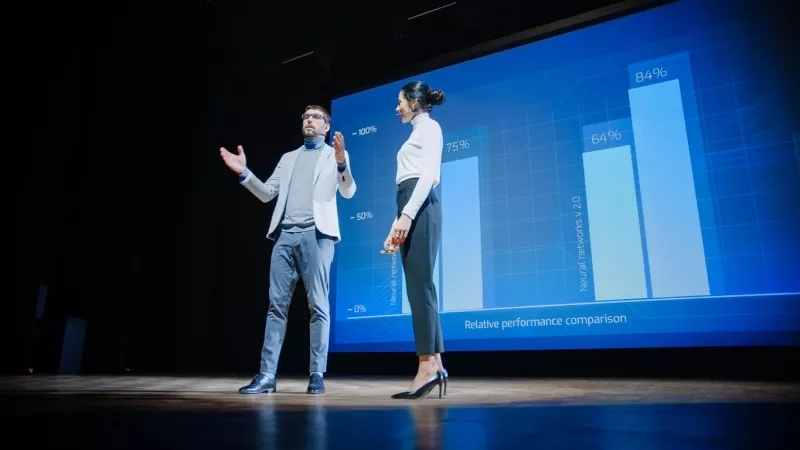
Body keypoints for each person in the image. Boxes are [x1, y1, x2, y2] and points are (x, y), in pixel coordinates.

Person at [219, 105, 356, 395]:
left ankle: (317, 373)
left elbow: (348, 190)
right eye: (306, 116)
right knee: (275, 307)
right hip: (284, 236)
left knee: (318, 306)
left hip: (318, 236)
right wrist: (245, 173)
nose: (309, 120)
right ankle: (266, 375)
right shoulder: (288, 158)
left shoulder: (334, 156)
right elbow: (268, 193)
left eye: (316, 117)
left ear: (327, 126)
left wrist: (343, 163)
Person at [384, 81, 448, 399]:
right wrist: (399, 221)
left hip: (420, 204)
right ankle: (434, 363)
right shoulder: (416, 132)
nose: (397, 108)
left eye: (400, 102)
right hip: (410, 205)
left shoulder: (430, 128)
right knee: (418, 287)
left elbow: (428, 175)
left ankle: (426, 368)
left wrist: (407, 215)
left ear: (414, 102)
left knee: (420, 287)